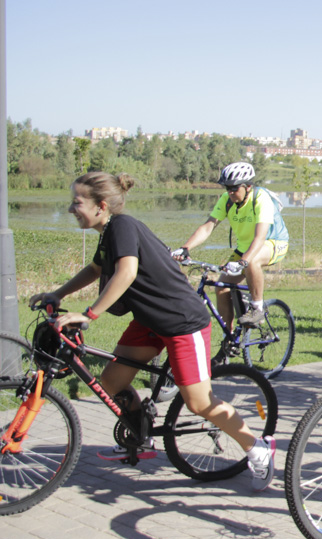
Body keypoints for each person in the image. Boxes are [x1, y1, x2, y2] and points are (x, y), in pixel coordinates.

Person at [29, 172, 276, 490]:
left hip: (182, 322)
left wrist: (90, 314)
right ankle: (140, 433)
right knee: (111, 382)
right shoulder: (109, 234)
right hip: (150, 321)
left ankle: (256, 448)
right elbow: (96, 269)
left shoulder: (123, 227)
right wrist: (58, 295)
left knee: (199, 403)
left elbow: (126, 272)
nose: (70, 208)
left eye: (77, 202)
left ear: (101, 205)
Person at [173, 162, 289, 330]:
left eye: (234, 188)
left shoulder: (261, 198)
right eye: (227, 188)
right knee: (221, 288)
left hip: (272, 243)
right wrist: (186, 248)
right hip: (245, 249)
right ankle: (229, 340)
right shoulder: (227, 200)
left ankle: (257, 308)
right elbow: (208, 226)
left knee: (252, 260)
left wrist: (243, 262)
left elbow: (260, 237)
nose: (230, 192)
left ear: (248, 186)